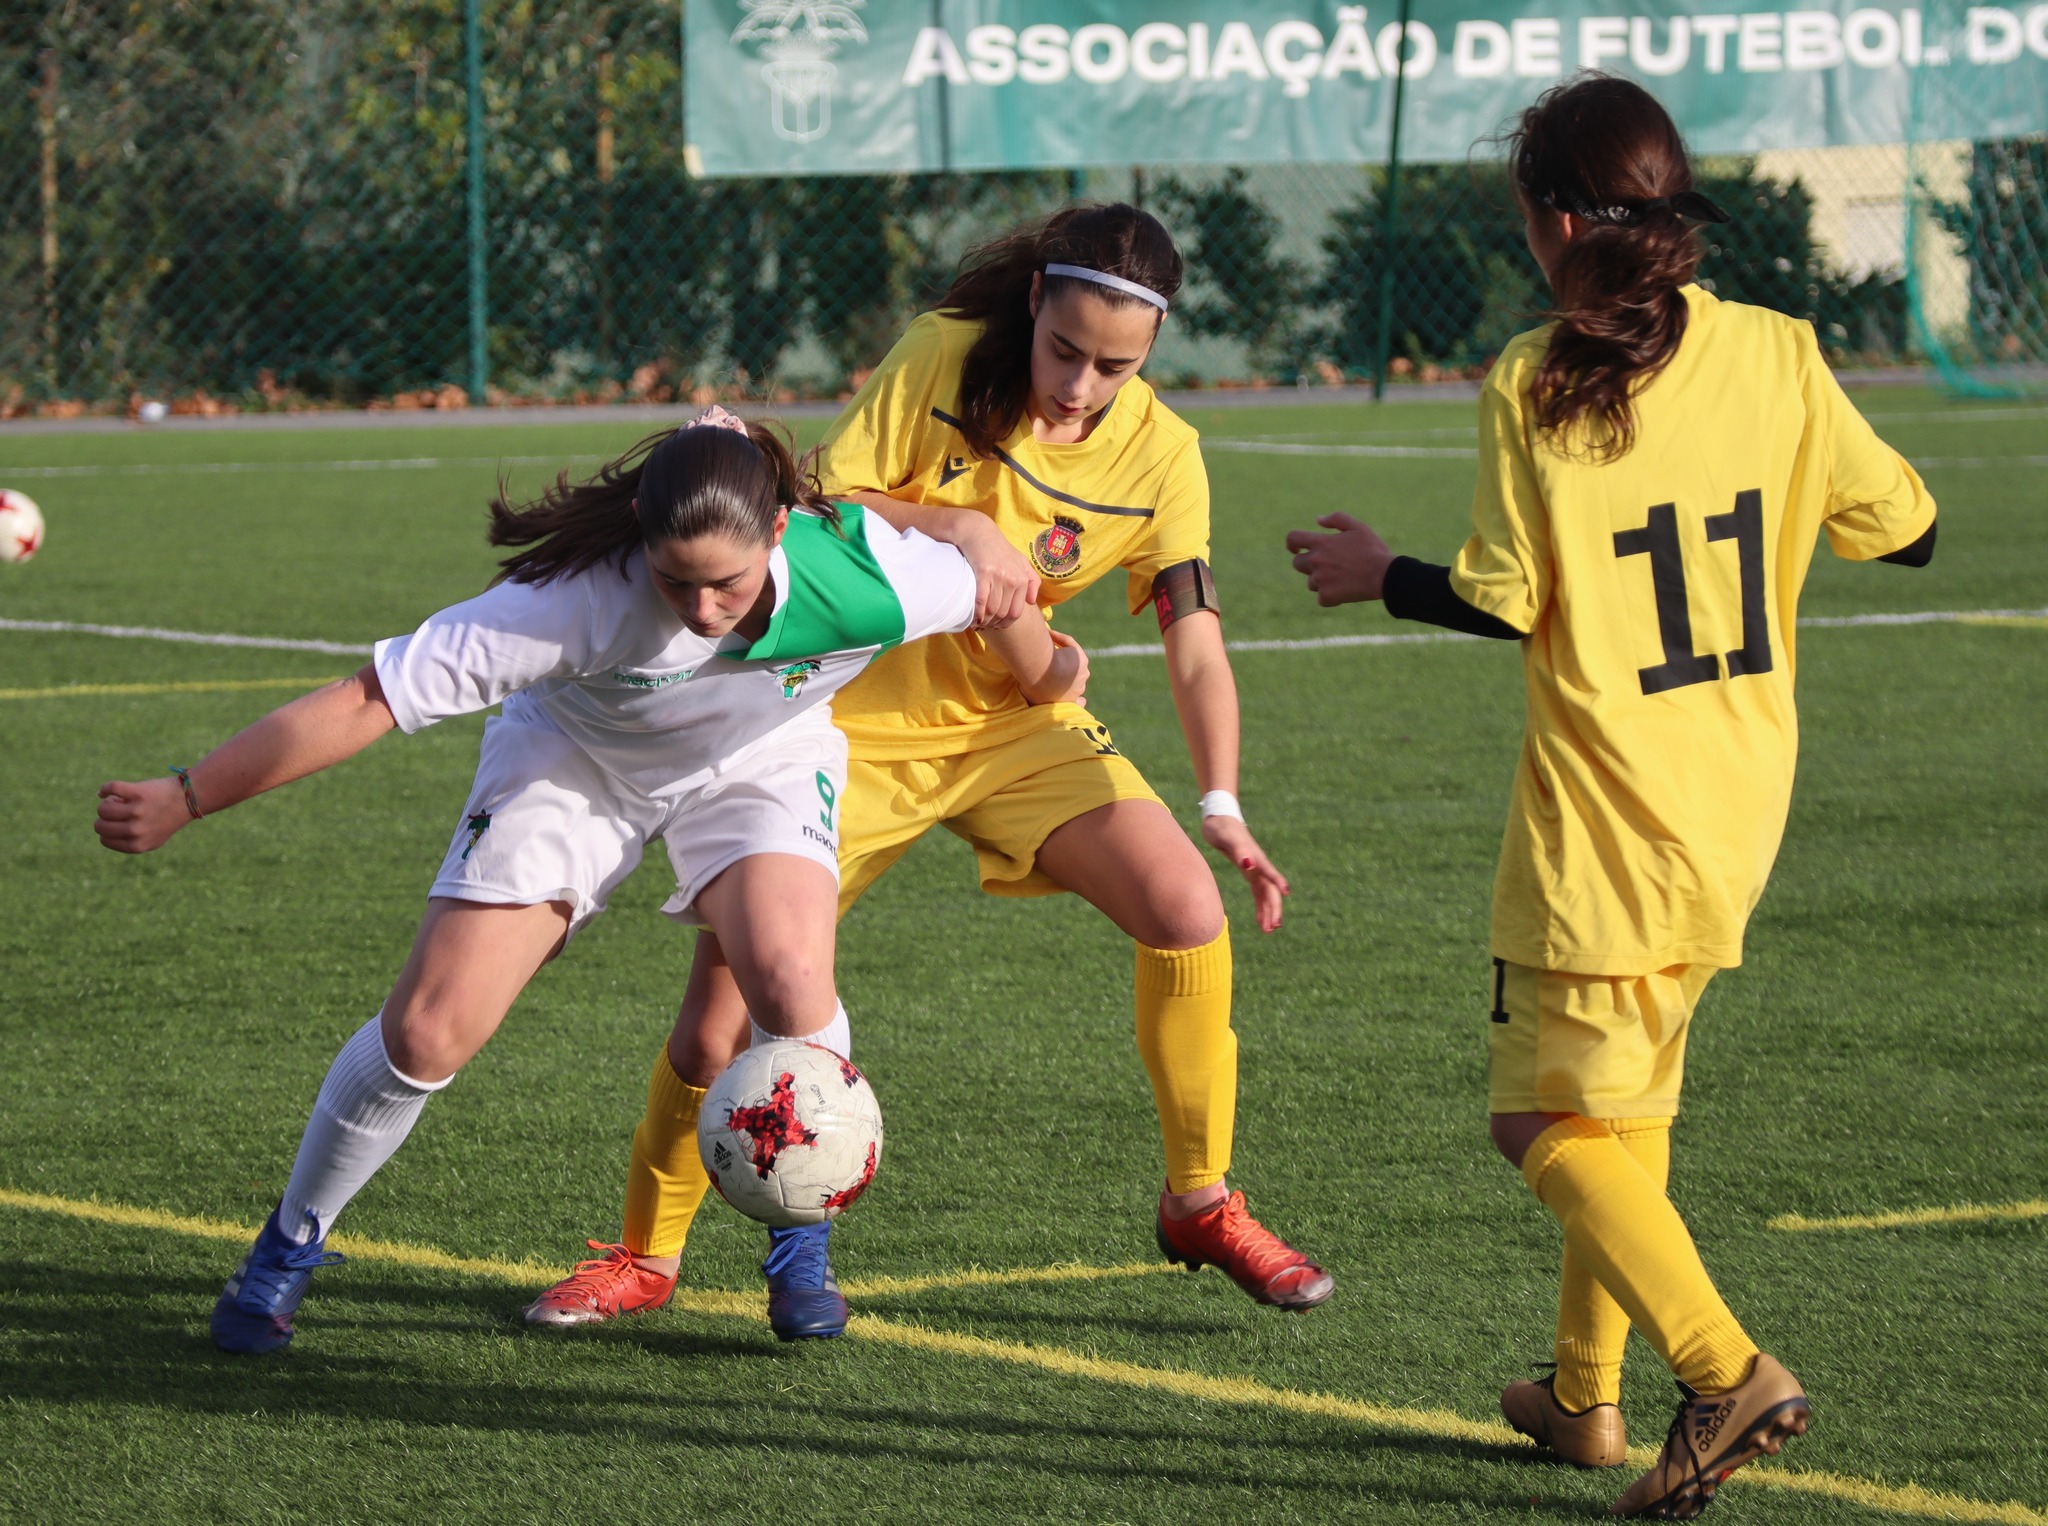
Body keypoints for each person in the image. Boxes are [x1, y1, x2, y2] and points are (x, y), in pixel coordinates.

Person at [93, 408, 1084, 1355]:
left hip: (760, 762)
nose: (701, 609)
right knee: (427, 1029)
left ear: (778, 533)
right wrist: (186, 795)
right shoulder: (573, 599)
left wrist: (1047, 675)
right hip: (575, 764)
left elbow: (991, 594)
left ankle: (798, 1234)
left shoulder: (862, 578)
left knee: (788, 978)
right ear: (640, 541)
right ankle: (287, 1246)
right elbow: (368, 699)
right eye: (675, 580)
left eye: (727, 586)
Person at [1285, 77, 1936, 1519]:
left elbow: (1508, 599)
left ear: (1558, 220)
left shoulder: (1537, 376)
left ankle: (1725, 1369)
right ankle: (1585, 1396)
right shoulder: (1779, 351)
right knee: (1623, 1113)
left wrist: (1379, 572)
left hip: (1602, 823)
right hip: (1738, 806)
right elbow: (1912, 532)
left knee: (1541, 1125)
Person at [525, 203, 1332, 1338]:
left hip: (1017, 732)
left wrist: (1222, 801)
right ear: (1032, 308)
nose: (1081, 386)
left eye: (1115, 366)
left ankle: (1198, 1199)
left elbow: (1192, 639)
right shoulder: (943, 354)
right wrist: (956, 525)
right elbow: (816, 501)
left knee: (1183, 905)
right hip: (848, 724)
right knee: (718, 1022)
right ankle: (643, 1254)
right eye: (1064, 351)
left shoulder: (1163, 455)